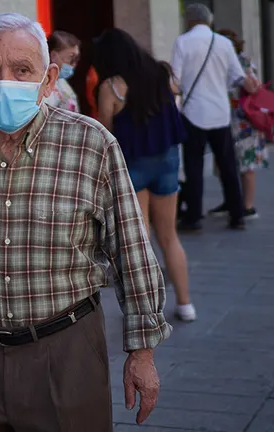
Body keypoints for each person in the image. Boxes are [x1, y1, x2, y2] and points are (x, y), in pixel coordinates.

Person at [0, 13, 171, 431]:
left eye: (22, 70)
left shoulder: (91, 144)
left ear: (49, 80)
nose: (5, 81)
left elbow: (131, 252)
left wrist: (142, 352)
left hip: (67, 351)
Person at [94, 28, 196, 322]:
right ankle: (185, 304)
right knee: (169, 236)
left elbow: (106, 132)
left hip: (132, 166)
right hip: (166, 162)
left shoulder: (111, 87)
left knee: (140, 241)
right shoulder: (162, 73)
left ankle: (147, 310)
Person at [170, 3, 260, 232]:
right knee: (228, 165)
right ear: (209, 20)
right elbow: (238, 77)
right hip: (220, 112)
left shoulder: (182, 42)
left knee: (194, 166)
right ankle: (237, 215)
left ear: (189, 20)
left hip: (193, 113)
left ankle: (194, 217)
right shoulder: (224, 43)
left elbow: (175, 82)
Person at [207, 29, 269, 220]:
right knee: (223, 162)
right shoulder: (217, 60)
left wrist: (241, 77)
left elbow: (254, 87)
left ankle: (248, 206)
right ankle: (230, 200)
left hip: (244, 121)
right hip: (223, 117)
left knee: (246, 164)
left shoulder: (243, 61)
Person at [45, 30, 80, 112]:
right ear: (53, 56)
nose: (74, 64)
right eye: (71, 58)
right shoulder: (42, 84)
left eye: (76, 59)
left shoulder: (62, 82)